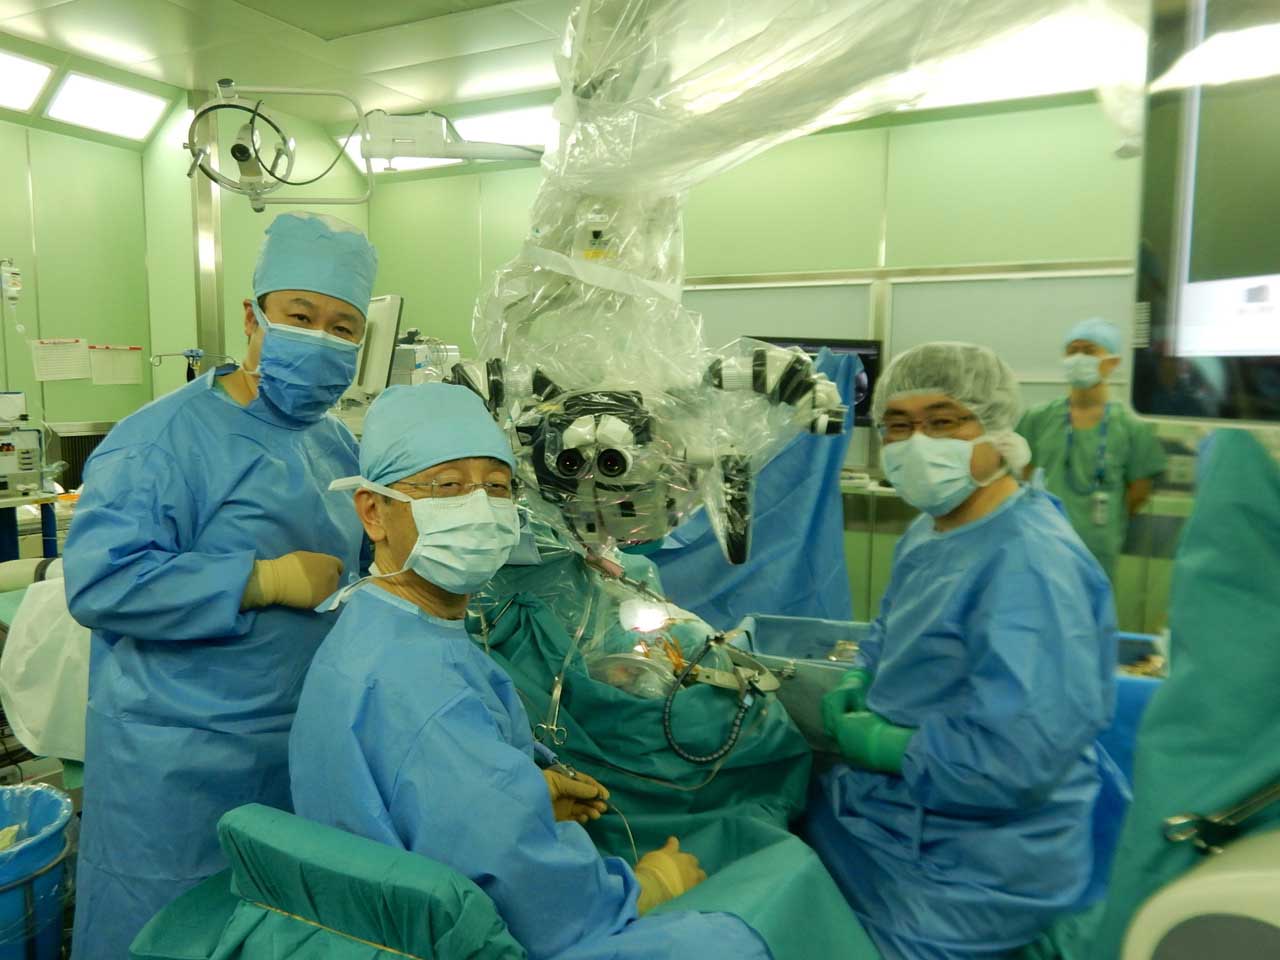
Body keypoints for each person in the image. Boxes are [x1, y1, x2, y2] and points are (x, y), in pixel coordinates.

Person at [289, 383, 770, 960]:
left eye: (497, 487)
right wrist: (647, 888)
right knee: (747, 922)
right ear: (374, 512)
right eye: (448, 486)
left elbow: (430, 799)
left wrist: (520, 797)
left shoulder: (381, 628)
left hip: (382, 916)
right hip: (455, 940)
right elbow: (537, 900)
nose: (479, 508)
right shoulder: (425, 688)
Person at [64, 212, 377, 960]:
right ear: (251, 316)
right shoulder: (161, 439)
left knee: (276, 927)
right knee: (165, 931)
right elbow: (101, 581)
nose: (321, 338)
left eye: (343, 327)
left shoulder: (335, 442)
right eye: (300, 316)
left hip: (299, 739)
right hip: (179, 758)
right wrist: (261, 580)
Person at [816, 342, 1117, 960]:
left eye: (944, 421)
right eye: (898, 425)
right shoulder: (935, 527)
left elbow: (1020, 756)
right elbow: (892, 628)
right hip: (900, 812)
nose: (917, 443)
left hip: (975, 860)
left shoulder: (1030, 563)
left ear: (997, 430)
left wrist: (891, 746)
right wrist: (860, 676)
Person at [1016, 318, 1166, 582]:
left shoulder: (1132, 426)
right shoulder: (1038, 418)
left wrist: (1104, 526)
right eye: (1072, 351)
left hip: (1098, 548)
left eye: (1088, 351)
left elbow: (1138, 492)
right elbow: (1024, 475)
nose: (1078, 358)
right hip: (1043, 541)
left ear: (1112, 362)